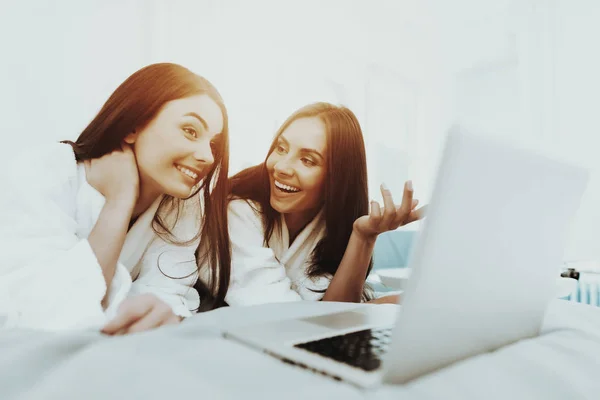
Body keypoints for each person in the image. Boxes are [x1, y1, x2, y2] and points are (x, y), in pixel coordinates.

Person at [0, 63, 231, 333]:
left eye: (213, 144)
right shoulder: (46, 170)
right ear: (132, 126)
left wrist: (164, 317)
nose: (208, 156)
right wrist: (119, 201)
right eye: (190, 131)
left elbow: (167, 299)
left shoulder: (183, 206)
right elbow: (42, 311)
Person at [196, 102, 423, 307]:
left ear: (337, 177)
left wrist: (363, 237)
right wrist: (369, 308)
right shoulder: (237, 210)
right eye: (281, 148)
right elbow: (278, 312)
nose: (281, 167)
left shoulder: (328, 226)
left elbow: (332, 314)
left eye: (307, 160)